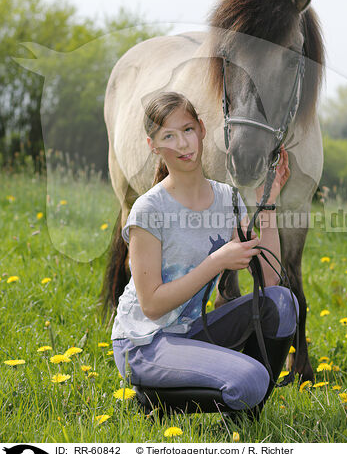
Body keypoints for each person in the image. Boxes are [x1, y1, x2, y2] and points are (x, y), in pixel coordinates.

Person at [112, 91, 298, 421]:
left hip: (191, 331)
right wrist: (216, 262)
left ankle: (243, 411)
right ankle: (156, 400)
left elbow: (269, 280)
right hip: (144, 343)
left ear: (201, 129)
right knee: (251, 380)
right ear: (153, 145)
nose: (182, 144)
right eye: (168, 136)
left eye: (187, 130)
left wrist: (268, 202)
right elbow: (152, 305)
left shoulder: (226, 198)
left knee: (283, 302)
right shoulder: (149, 210)